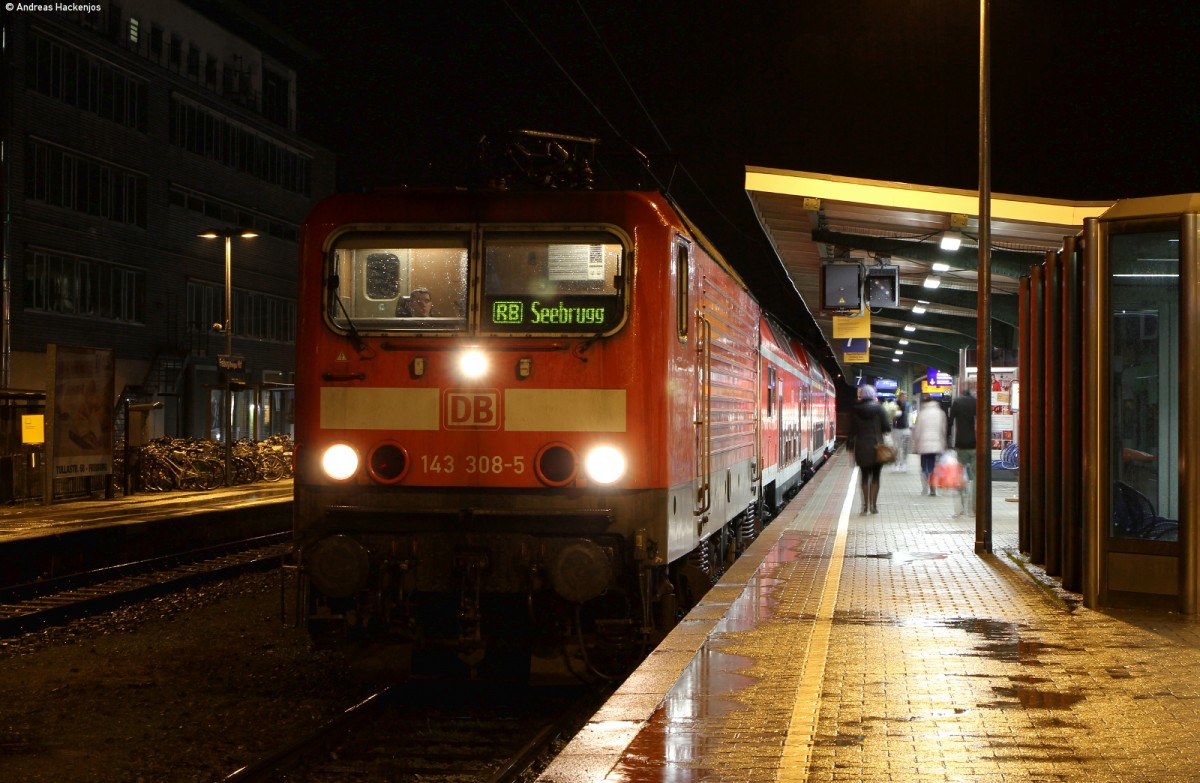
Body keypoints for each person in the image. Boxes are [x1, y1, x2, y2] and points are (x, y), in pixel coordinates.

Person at [847, 384, 891, 515]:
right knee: (876, 477)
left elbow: (851, 431)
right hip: (877, 447)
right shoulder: (880, 409)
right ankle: (874, 506)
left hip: (861, 447)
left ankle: (864, 506)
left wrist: (849, 446)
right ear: (873, 395)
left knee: (864, 476)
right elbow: (887, 428)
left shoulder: (855, 409)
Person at [948, 382, 978, 515]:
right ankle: (974, 507)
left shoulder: (957, 402)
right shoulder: (976, 402)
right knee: (977, 476)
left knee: (960, 474)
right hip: (975, 444)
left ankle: (960, 505)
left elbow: (950, 422)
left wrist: (947, 441)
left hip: (960, 443)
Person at [911, 396, 948, 496]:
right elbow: (943, 430)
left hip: (923, 444)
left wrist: (915, 445)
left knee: (924, 466)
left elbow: (917, 431)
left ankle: (925, 487)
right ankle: (933, 486)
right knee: (934, 466)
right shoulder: (941, 413)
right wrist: (944, 443)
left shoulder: (922, 413)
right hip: (937, 444)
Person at [891, 391, 912, 472]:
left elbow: (909, 415)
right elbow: (891, 416)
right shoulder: (894, 404)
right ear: (900, 396)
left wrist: (910, 426)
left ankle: (903, 464)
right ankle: (896, 464)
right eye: (903, 396)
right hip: (896, 429)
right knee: (896, 447)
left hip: (906, 429)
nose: (905, 398)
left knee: (905, 447)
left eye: (906, 397)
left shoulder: (908, 405)